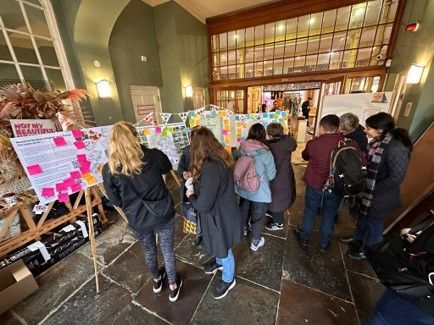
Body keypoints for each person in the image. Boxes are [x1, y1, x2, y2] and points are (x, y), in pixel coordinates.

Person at [102, 122, 182, 302]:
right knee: (167, 251)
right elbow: (167, 168)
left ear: (113, 143)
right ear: (135, 137)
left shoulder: (110, 170)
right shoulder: (153, 155)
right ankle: (173, 286)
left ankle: (156, 281)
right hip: (162, 212)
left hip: (137, 218)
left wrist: (131, 204)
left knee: (149, 251)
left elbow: (115, 201)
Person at [186, 127, 241, 299]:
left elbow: (203, 205)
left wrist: (191, 194)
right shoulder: (220, 156)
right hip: (224, 211)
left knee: (224, 247)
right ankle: (218, 262)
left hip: (219, 216)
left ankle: (228, 279)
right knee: (219, 244)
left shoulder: (211, 166)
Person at [348, 112, 412, 260]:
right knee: (362, 218)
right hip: (368, 191)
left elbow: (396, 177)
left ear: (380, 129)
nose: (365, 131)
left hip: (380, 196)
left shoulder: (396, 147)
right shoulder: (377, 142)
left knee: (374, 225)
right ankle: (357, 239)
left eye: (369, 128)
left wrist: (372, 188)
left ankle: (370, 251)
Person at [294, 114, 344, 252]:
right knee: (329, 214)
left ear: (321, 128)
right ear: (338, 127)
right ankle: (324, 244)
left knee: (310, 211)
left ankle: (303, 238)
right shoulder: (345, 142)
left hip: (315, 183)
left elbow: (305, 156)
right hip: (336, 185)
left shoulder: (315, 143)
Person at [234, 123, 276, 251]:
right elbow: (271, 175)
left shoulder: (242, 147)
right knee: (258, 217)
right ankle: (255, 242)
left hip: (242, 188)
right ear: (264, 135)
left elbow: (233, 158)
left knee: (243, 210)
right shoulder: (266, 153)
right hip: (259, 191)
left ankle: (243, 230)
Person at [265, 123, 297, 231]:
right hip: (285, 174)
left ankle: (278, 223)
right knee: (280, 197)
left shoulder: (270, 147)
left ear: (269, 135)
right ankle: (272, 213)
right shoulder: (287, 142)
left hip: (276, 177)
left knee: (276, 198)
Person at [177, 144, 202, 246]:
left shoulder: (207, 152)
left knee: (201, 211)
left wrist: (195, 174)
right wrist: (183, 173)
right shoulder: (187, 151)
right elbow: (180, 166)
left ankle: (202, 233)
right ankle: (198, 234)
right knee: (193, 211)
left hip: (201, 188)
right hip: (190, 188)